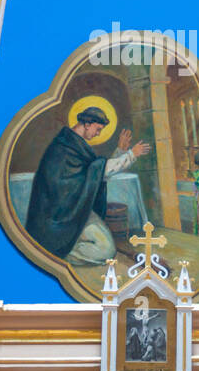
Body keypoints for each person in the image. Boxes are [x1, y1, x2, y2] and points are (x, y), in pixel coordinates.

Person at [25, 106, 151, 265]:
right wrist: (131, 155)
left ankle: (63, 248)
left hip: (76, 209)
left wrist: (120, 152)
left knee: (107, 249)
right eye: (98, 129)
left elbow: (94, 173)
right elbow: (96, 171)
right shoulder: (63, 148)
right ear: (87, 124)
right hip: (58, 217)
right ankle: (55, 252)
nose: (98, 134)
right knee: (106, 251)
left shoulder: (75, 144)